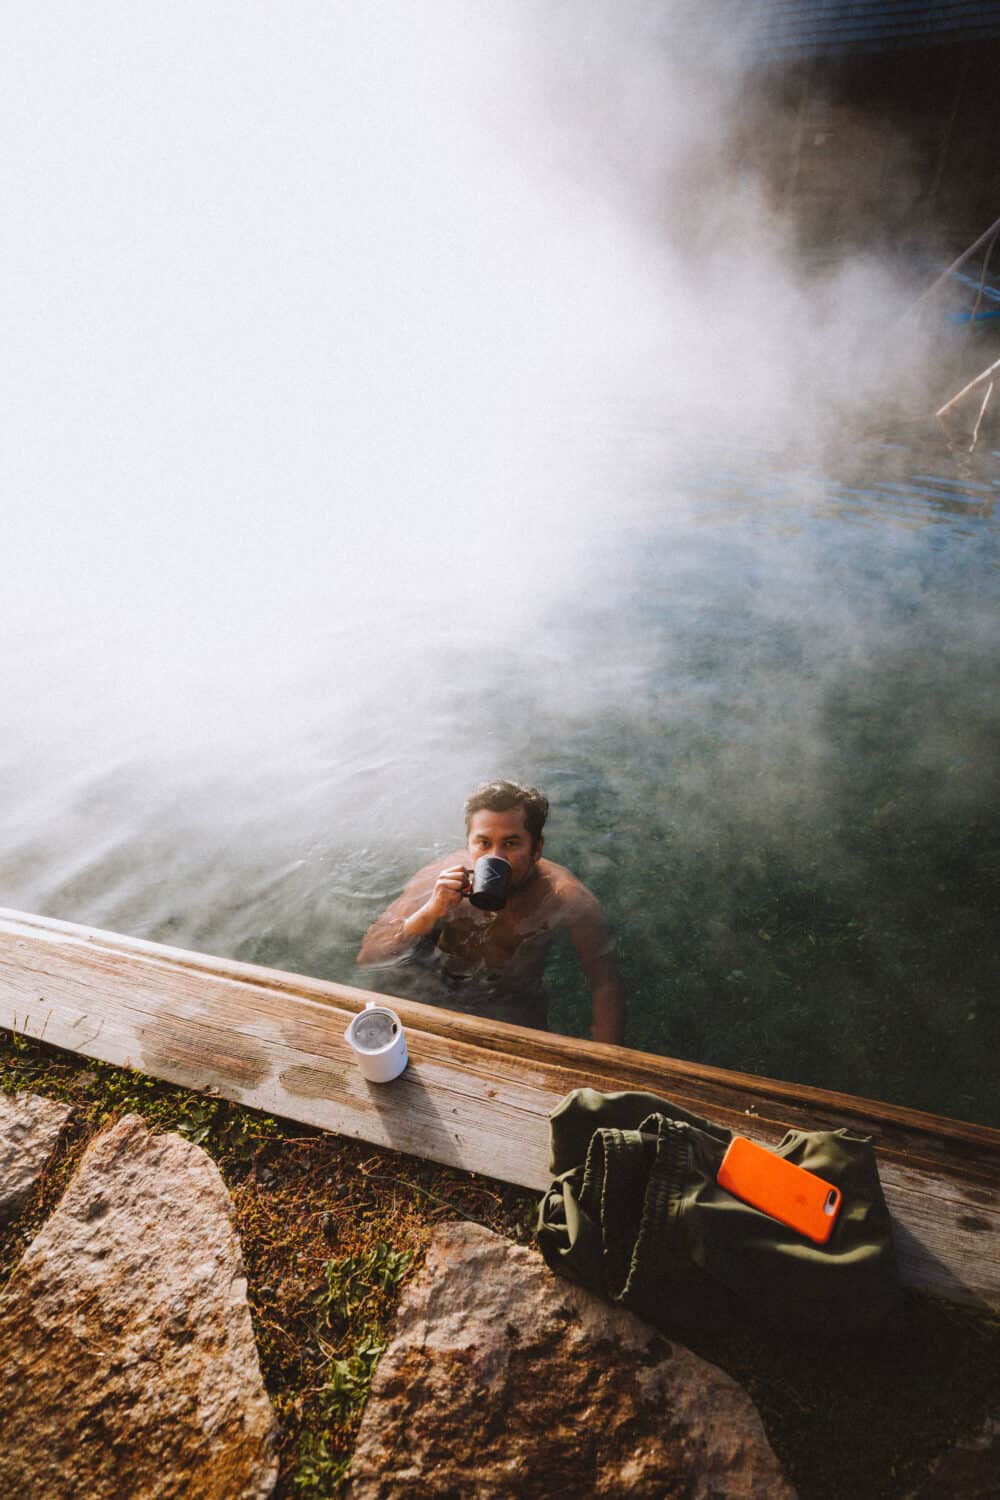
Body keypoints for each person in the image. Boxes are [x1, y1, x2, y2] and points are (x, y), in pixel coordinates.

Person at [356, 779, 626, 1044]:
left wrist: (603, 1059)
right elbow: (369, 957)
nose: (494, 857)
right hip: (432, 979)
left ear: (537, 847)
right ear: (468, 843)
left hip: (508, 1000)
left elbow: (605, 985)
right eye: (483, 843)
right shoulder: (442, 877)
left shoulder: (566, 898)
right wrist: (430, 911)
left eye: (511, 843)